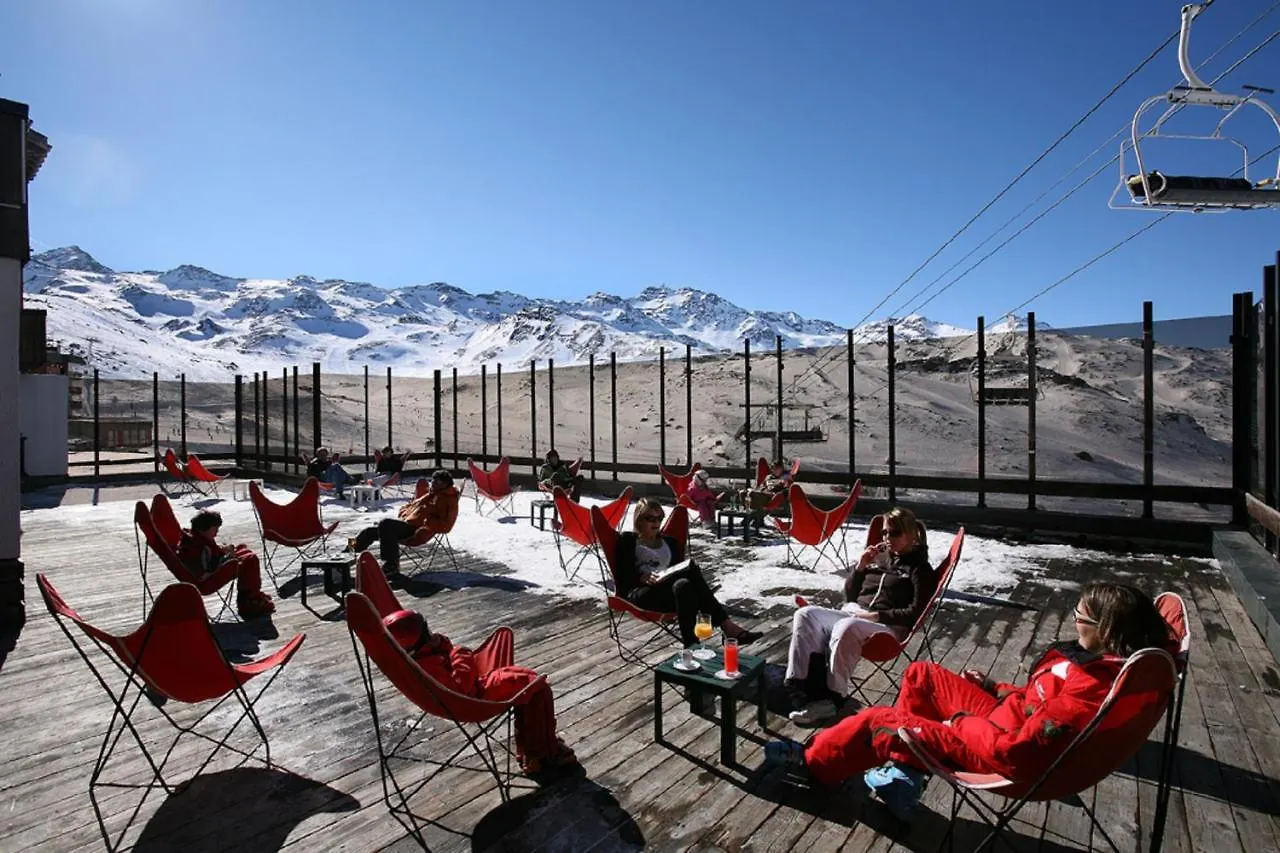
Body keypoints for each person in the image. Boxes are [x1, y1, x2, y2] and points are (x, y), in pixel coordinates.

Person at [764, 582, 1173, 820]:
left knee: (880, 721)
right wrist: (996, 689)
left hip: (1000, 753)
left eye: (1081, 617)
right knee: (920, 675)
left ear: (1107, 628)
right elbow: (1040, 704)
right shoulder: (1099, 667)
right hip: (1004, 721)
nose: (1074, 621)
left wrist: (957, 722)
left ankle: (814, 765)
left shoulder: (1094, 687)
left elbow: (1022, 752)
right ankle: (906, 778)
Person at [383, 608, 580, 780]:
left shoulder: (417, 660)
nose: (431, 633)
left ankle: (531, 751)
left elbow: (448, 670)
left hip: (460, 697)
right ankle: (543, 754)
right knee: (536, 686)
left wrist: (439, 645)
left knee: (527, 683)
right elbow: (462, 686)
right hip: (473, 701)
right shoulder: (430, 666)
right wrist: (460, 652)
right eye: (427, 632)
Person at [784, 508, 935, 725]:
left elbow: (916, 613)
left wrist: (877, 615)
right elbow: (850, 595)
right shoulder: (880, 559)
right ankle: (802, 687)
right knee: (805, 614)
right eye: (884, 533)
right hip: (854, 612)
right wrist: (861, 566)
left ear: (911, 535)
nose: (887, 538)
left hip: (887, 627)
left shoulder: (920, 569)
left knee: (846, 626)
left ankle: (833, 698)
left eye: (894, 533)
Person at [611, 497, 763, 647]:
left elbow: (676, 571)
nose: (656, 523)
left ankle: (691, 645)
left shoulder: (669, 542)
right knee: (690, 570)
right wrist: (640, 577)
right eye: (650, 518)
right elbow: (622, 576)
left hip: (668, 593)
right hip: (642, 594)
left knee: (684, 585)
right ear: (639, 520)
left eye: (659, 518)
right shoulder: (629, 541)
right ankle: (728, 627)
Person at [350, 469, 459, 574]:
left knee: (386, 524)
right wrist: (404, 512)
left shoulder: (449, 500)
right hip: (407, 524)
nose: (432, 483)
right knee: (368, 531)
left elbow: (447, 525)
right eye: (432, 480)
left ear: (444, 484)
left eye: (436, 481)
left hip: (415, 531)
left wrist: (426, 523)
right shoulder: (431, 494)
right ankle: (347, 553)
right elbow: (413, 506)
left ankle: (391, 564)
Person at [177, 510, 275, 619]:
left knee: (243, 550)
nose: (217, 533)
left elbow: (210, 555)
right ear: (205, 529)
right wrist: (227, 558)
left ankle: (250, 595)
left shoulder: (196, 539)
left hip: (211, 571)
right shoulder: (199, 547)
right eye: (215, 529)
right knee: (251, 560)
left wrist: (223, 551)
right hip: (207, 581)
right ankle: (250, 601)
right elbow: (208, 569)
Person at [741, 459, 791, 531]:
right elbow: (762, 486)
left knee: (758, 500)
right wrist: (760, 490)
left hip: (774, 497)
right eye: (773, 468)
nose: (774, 470)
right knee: (745, 494)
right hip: (764, 494)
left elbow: (787, 487)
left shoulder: (785, 476)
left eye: (777, 468)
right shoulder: (769, 477)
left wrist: (780, 489)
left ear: (781, 468)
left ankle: (750, 519)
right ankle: (756, 519)